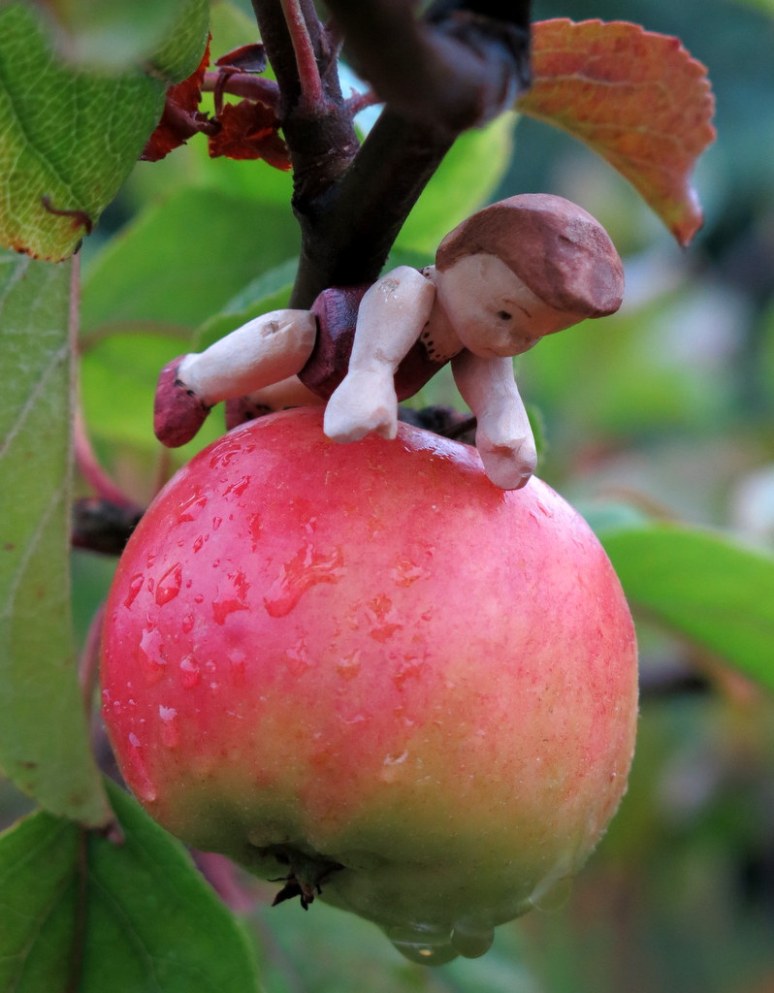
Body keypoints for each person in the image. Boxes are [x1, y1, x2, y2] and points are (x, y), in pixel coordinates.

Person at [154, 193, 624, 489]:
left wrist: (506, 438)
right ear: (463, 258)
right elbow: (381, 334)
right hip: (327, 354)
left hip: (309, 417)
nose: (510, 340)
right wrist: (370, 377)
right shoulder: (413, 288)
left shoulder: (482, 346)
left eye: (532, 336)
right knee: (291, 333)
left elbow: (499, 396)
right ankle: (191, 380)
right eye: (504, 315)